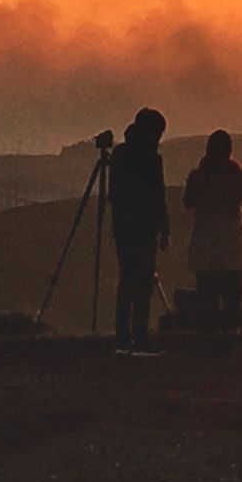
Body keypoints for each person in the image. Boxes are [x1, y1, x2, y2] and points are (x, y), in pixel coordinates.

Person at [183, 129, 242, 347]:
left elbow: (188, 202)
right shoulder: (237, 174)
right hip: (232, 239)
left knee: (207, 291)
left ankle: (209, 336)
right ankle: (229, 336)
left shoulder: (198, 176)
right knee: (233, 292)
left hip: (206, 238)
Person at [110, 108, 171, 353]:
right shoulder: (152, 159)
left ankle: (123, 337)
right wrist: (164, 229)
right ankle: (140, 336)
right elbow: (159, 196)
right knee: (143, 282)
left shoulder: (120, 154)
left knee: (127, 279)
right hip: (144, 227)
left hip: (123, 226)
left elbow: (114, 195)